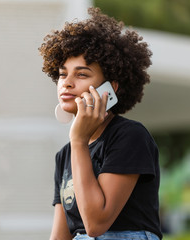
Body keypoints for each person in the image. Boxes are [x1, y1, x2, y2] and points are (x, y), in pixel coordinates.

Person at [38, 7, 162, 240]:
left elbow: (96, 223)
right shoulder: (65, 155)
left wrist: (79, 140)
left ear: (110, 88)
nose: (67, 83)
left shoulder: (130, 136)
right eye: (63, 74)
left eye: (82, 74)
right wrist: (77, 144)